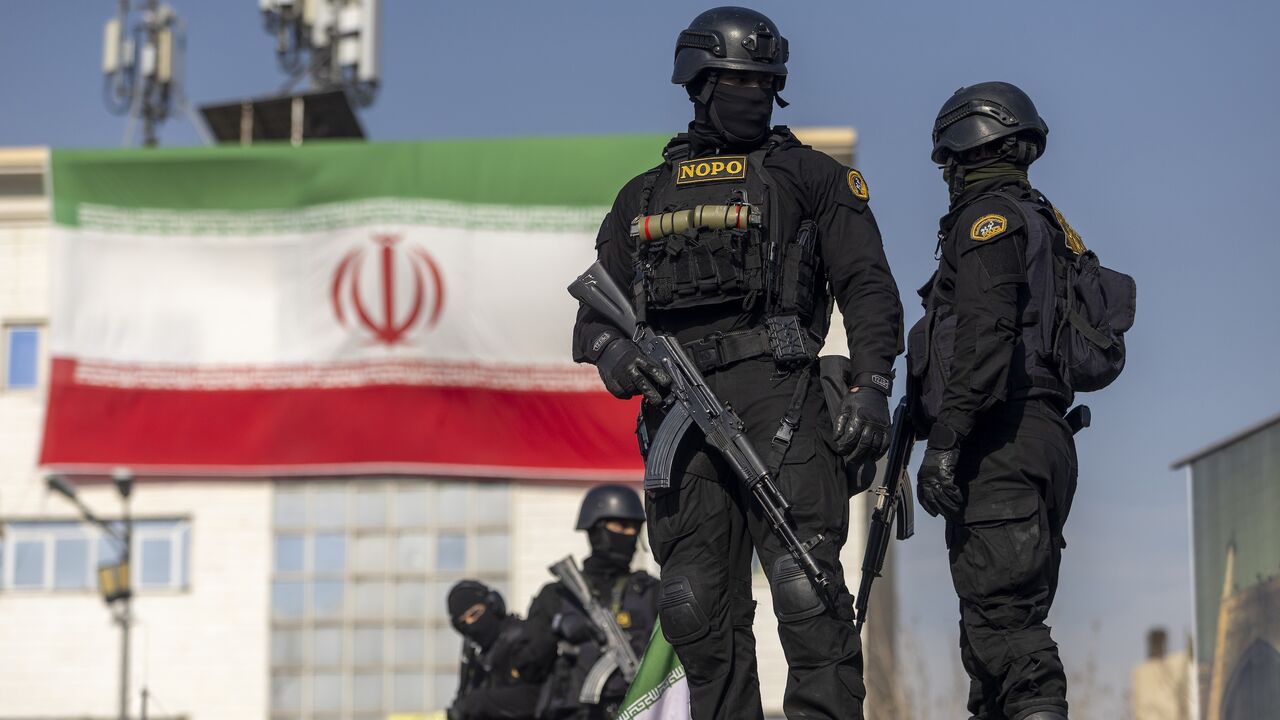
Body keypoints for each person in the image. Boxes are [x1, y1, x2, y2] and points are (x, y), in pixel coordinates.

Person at [569, 7, 903, 718]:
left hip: (780, 396)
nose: (753, 91)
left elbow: (870, 289)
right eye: (736, 79)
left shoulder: (812, 178)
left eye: (764, 80)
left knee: (805, 588)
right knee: (691, 606)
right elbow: (592, 322)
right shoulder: (644, 196)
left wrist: (873, 386)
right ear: (698, 82)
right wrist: (622, 357)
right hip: (677, 418)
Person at [910, 81, 1081, 720]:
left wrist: (946, 442)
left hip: (1000, 440)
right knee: (987, 645)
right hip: (1043, 438)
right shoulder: (1045, 223)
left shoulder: (990, 221)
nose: (947, 175)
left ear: (966, 149)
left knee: (1004, 626)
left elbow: (985, 336)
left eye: (948, 161)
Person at [516, 485, 659, 719]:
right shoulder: (557, 597)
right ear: (596, 530)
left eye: (634, 528)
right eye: (621, 526)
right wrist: (557, 629)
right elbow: (527, 668)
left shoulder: (650, 593)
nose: (630, 535)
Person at [446, 581, 544, 720]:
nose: (470, 624)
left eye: (474, 614)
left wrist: (479, 702)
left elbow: (538, 697)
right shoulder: (479, 661)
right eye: (462, 623)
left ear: (493, 605)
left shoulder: (525, 640)